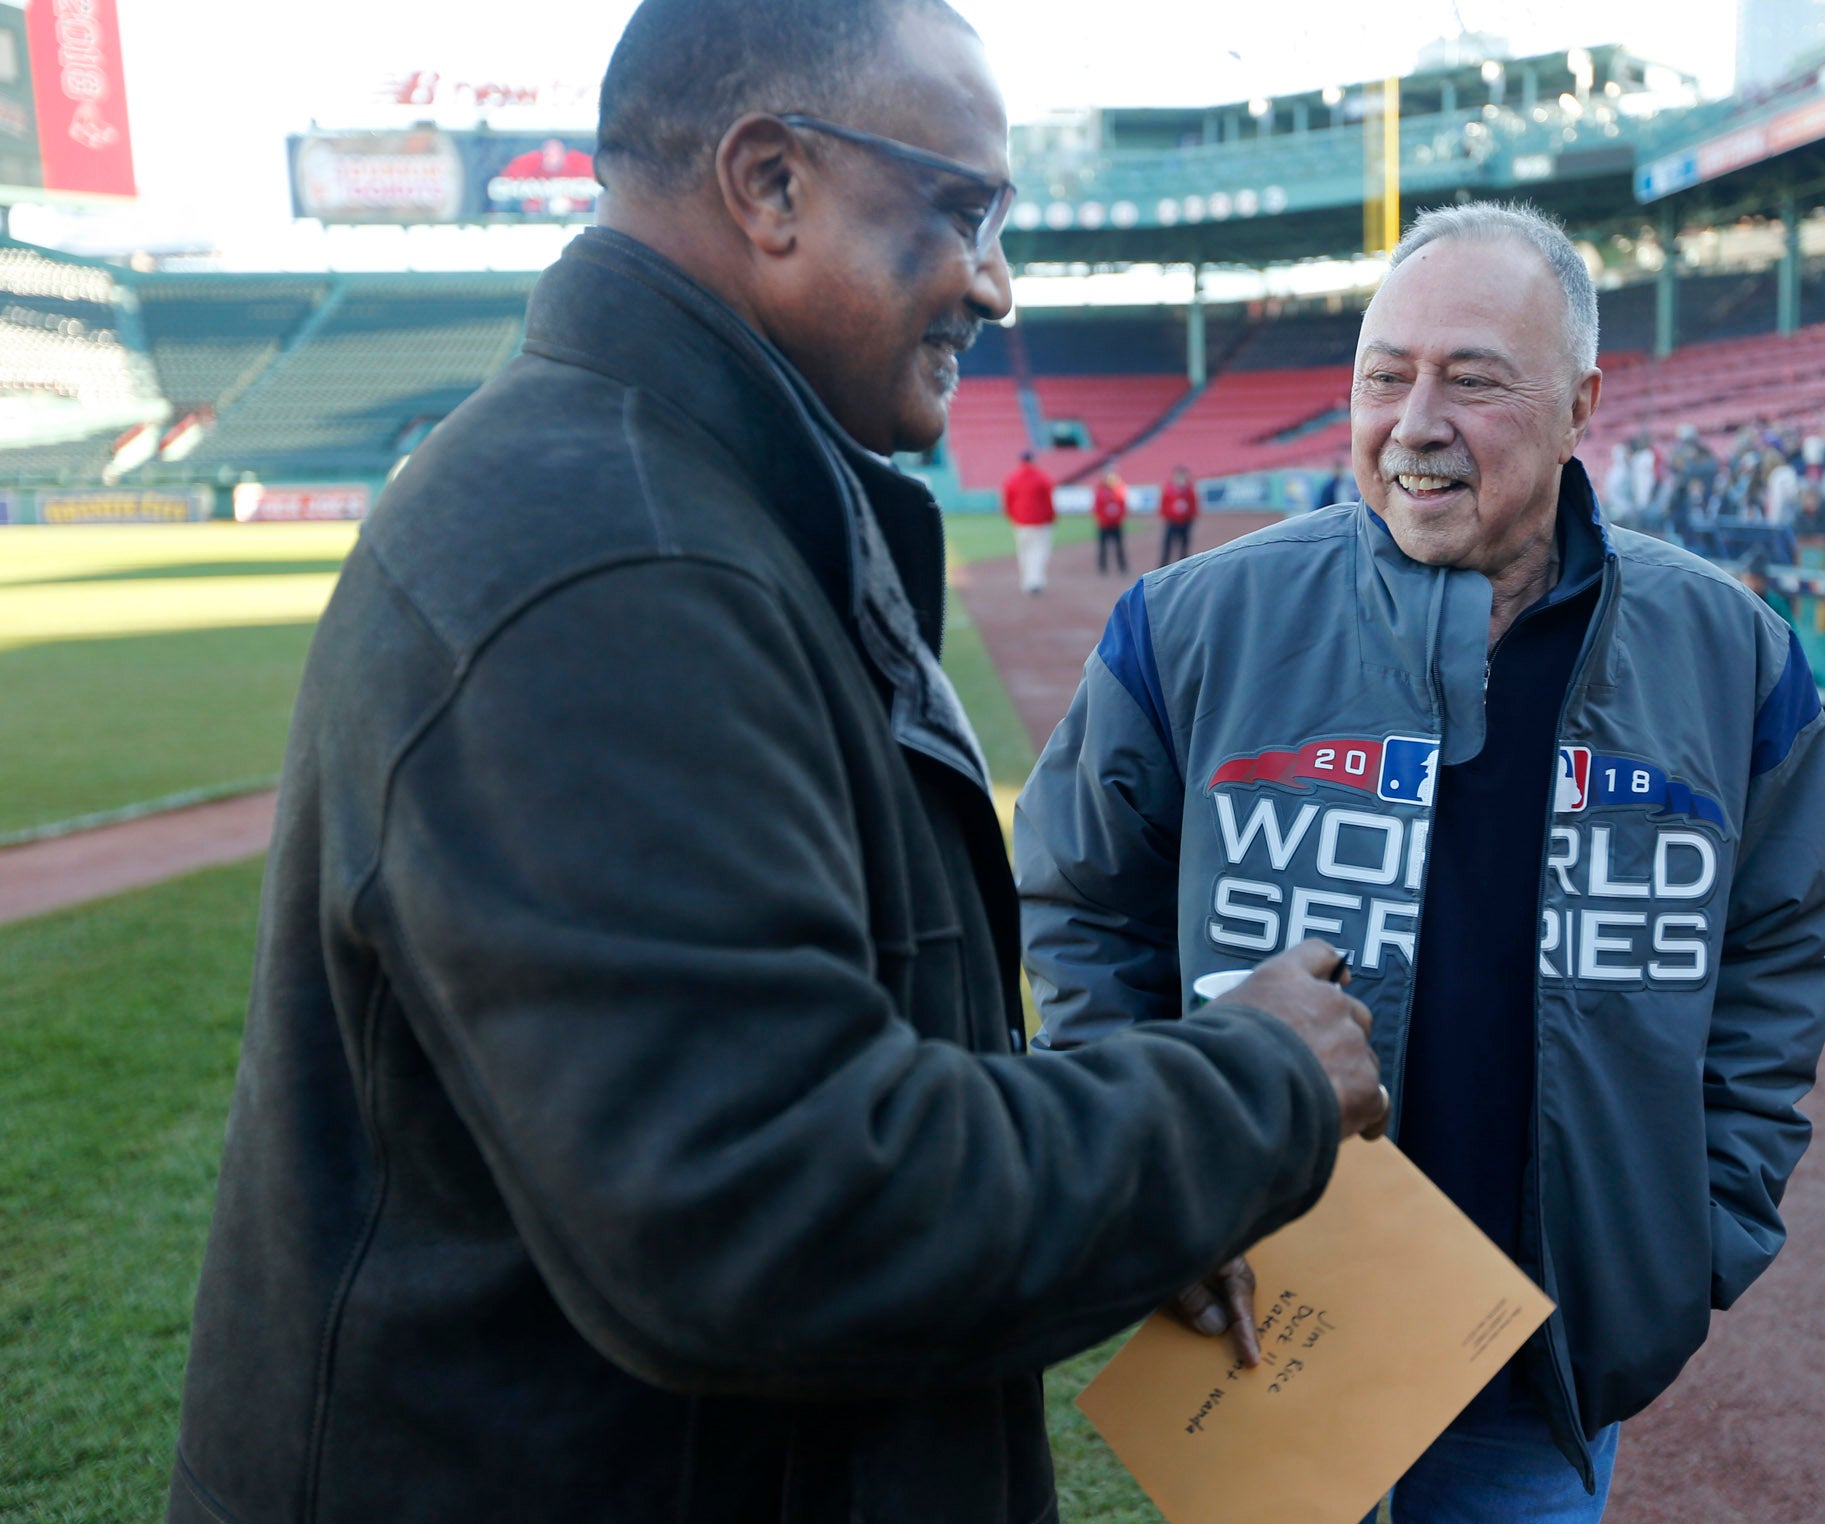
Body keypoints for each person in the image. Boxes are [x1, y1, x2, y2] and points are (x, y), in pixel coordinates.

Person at [165, 4, 1387, 1521]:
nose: (994, 286)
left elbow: (834, 1053)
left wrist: (1142, 1189)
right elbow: (771, 1206)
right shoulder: (610, 558)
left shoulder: (687, 496)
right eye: (960, 210)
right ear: (769, 184)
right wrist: (1253, 1084)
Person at [1014, 203, 1825, 1519]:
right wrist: (1151, 1178)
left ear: (1580, 403)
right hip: (1260, 1315)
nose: (1413, 420)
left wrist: (1703, 1219)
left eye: (1471, 379)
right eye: (1382, 375)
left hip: (1534, 1372)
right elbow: (1079, 912)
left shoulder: (1729, 654)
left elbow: (1783, 940)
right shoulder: (1185, 627)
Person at [1001, 448, 1056, 593]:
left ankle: (1026, 581)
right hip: (1040, 522)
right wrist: (1051, 517)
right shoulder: (1042, 477)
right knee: (1039, 551)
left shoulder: (1012, 478)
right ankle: (1035, 581)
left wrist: (1011, 516)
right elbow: (1048, 500)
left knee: (1024, 551)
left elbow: (1007, 501)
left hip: (1020, 522)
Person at [1160, 463, 1199, 565]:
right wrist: (1168, 516)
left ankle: (1183, 565)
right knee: (1168, 544)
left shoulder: (1189, 490)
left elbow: (1193, 504)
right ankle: (1163, 565)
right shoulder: (1169, 489)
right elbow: (1164, 504)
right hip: (1172, 521)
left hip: (1185, 522)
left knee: (1184, 545)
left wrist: (1190, 518)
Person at [1093, 468, 1130, 574]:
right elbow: (1097, 507)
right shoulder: (1100, 490)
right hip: (1104, 524)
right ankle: (1102, 567)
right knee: (1103, 547)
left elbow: (1123, 506)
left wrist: (1119, 518)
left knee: (1119, 546)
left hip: (1116, 524)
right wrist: (1102, 519)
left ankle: (1123, 567)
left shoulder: (1120, 489)